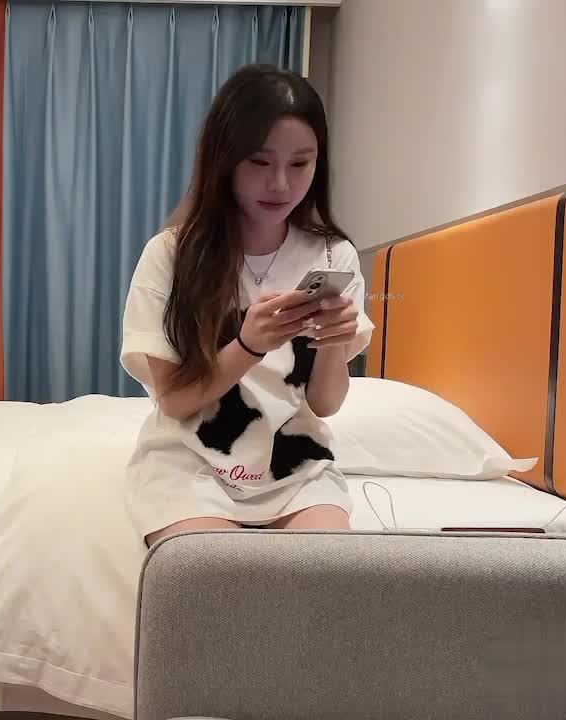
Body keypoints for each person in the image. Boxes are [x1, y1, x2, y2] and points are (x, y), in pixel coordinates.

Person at [120, 64, 375, 547]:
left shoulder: (333, 256)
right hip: (191, 465)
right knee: (212, 574)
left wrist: (332, 343)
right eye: (260, 162)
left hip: (295, 467)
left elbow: (325, 404)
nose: (280, 184)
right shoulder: (171, 255)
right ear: (225, 159)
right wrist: (249, 345)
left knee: (330, 571)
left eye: (300, 164)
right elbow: (174, 402)